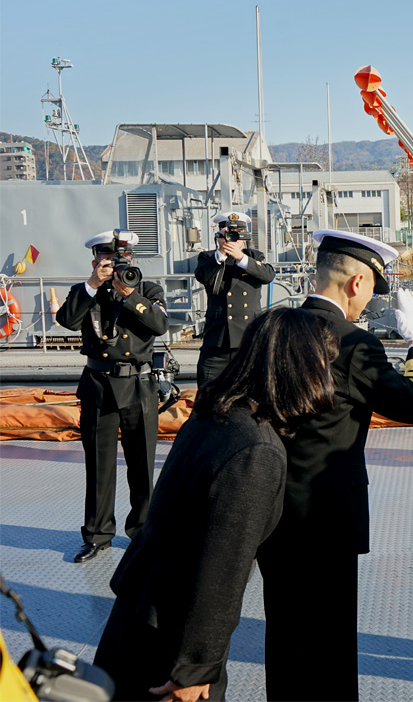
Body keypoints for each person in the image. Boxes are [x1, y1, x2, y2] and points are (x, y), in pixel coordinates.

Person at [93, 307, 339, 702]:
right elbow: (221, 571)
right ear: (299, 368)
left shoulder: (216, 414)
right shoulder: (256, 450)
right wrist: (194, 669)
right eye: (323, 365)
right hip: (172, 645)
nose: (327, 377)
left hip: (139, 612)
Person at [257, 230, 413, 702]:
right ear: (356, 283)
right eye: (373, 286)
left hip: (271, 512)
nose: (371, 297)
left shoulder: (267, 329)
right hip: (326, 518)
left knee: (284, 638)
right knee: (330, 649)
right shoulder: (355, 344)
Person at [56, 230, 168, 564]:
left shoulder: (147, 289)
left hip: (139, 387)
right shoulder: (86, 291)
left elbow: (160, 324)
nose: (120, 265)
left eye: (125, 259)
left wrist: (130, 294)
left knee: (142, 465)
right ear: (96, 261)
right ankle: (97, 535)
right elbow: (66, 320)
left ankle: (143, 531)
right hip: (100, 386)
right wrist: (93, 283)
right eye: (109, 260)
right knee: (99, 466)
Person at [194, 211, 276, 388]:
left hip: (248, 339)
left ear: (244, 237)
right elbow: (202, 276)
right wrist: (221, 254)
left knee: (252, 392)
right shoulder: (209, 258)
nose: (233, 239)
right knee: (208, 391)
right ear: (219, 235)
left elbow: (268, 275)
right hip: (218, 339)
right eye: (228, 234)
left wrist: (241, 257)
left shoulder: (254, 257)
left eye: (237, 235)